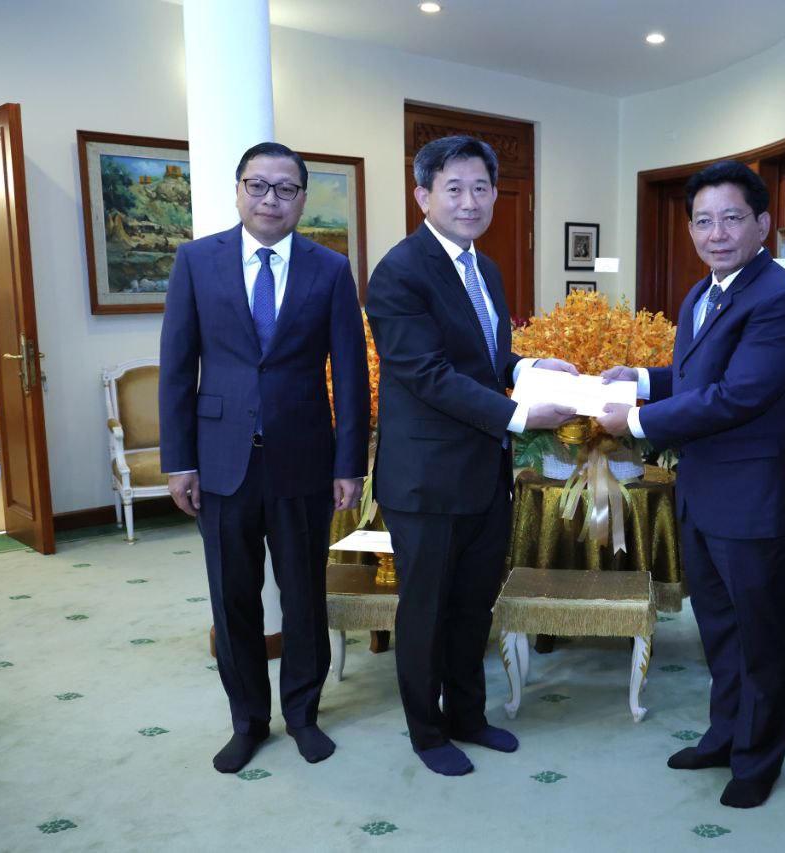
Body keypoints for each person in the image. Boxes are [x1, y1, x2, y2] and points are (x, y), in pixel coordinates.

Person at [597, 160, 785, 809]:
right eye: (703, 221)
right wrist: (640, 380)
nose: (716, 233)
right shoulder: (704, 292)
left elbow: (739, 393)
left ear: (762, 224)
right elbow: (699, 376)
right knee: (720, 628)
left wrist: (636, 421)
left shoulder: (780, 298)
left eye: (730, 218)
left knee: (761, 635)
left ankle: (759, 758)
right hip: (703, 491)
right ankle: (726, 734)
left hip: (757, 500)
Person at [364, 135, 577, 777]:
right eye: (453, 188)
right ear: (422, 195)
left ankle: (468, 716)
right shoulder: (399, 272)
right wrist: (522, 415)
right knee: (426, 612)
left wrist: (530, 367)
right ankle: (427, 734)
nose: (470, 201)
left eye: (481, 187)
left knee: (472, 606)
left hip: (484, 472)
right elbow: (427, 373)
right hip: (426, 480)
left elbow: (485, 360)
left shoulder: (485, 268)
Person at [159, 141, 370, 773]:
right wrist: (179, 460)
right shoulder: (197, 261)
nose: (270, 199)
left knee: (304, 596)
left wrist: (349, 464)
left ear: (301, 199)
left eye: (285, 189)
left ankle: (303, 714)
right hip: (220, 462)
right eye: (258, 185)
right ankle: (248, 720)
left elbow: (351, 375)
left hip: (303, 460)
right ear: (238, 191)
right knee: (233, 599)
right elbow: (177, 367)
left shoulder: (330, 269)